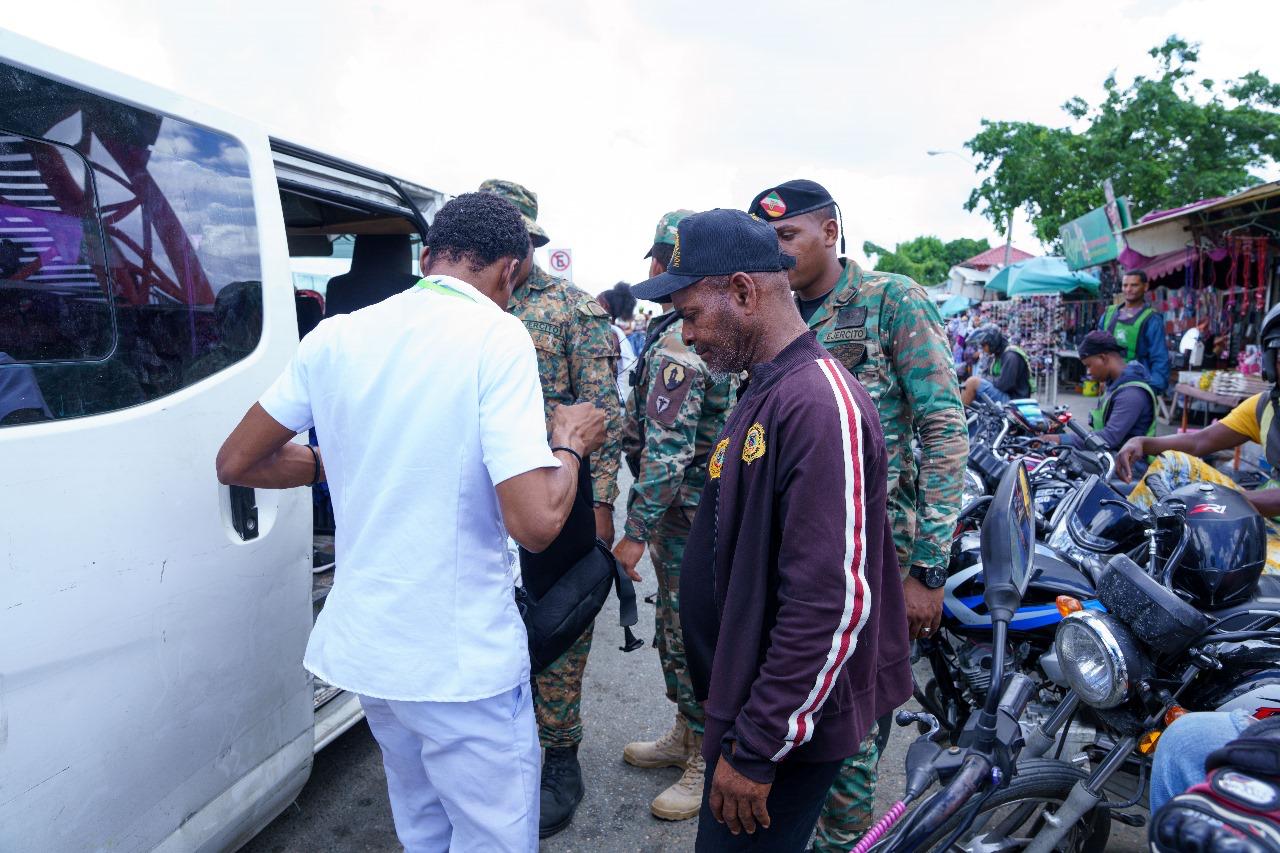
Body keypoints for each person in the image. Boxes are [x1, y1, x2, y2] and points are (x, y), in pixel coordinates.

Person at [214, 192, 607, 851]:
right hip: (459, 662)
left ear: (429, 259)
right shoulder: (496, 335)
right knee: (492, 837)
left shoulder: (337, 336)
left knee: (423, 826)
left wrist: (335, 458)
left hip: (372, 654)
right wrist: (569, 442)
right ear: (510, 270)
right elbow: (535, 522)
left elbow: (237, 459)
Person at [633, 208, 911, 851]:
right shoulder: (764, 385)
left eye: (691, 314)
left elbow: (827, 602)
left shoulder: (815, 403)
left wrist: (757, 747)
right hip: (751, 711)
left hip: (780, 731)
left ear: (741, 291)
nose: (689, 335)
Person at [748, 179, 966, 850]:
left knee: (846, 735)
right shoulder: (764, 311)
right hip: (794, 560)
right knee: (789, 716)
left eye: (789, 236)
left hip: (879, 560)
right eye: (768, 241)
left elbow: (943, 428)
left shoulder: (887, 300)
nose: (777, 252)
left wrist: (928, 566)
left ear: (830, 233)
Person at [478, 178, 622, 838]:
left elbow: (604, 419)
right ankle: (501, 753)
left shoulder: (572, 312)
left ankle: (560, 760)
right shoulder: (469, 308)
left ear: (531, 243)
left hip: (552, 496)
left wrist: (601, 511)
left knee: (556, 634)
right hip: (478, 501)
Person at [613, 208, 736, 821]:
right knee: (675, 630)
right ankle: (688, 733)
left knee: (696, 634)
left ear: (665, 263)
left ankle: (708, 754)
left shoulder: (676, 341)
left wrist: (633, 534)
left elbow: (668, 450)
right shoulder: (678, 329)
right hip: (686, 517)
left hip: (692, 517)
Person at [1117, 302, 1280, 574]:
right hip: (1261, 513)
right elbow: (1200, 442)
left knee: (1232, 574)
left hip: (1263, 516)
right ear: (1269, 359)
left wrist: (1230, 501)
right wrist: (1144, 443)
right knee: (1173, 463)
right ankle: (1123, 549)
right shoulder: (1265, 406)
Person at [1041, 330, 1156, 453]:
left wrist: (1059, 439)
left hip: (1130, 465)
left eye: (1089, 365)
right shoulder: (1116, 386)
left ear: (1103, 358)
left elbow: (1108, 438)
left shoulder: (1131, 394)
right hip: (1112, 454)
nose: (1088, 372)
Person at [1099, 269, 1170, 395]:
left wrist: (1153, 388)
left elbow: (1160, 358)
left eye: (1134, 285)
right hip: (1110, 385)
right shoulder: (1108, 314)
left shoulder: (1152, 319)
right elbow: (1098, 347)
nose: (1128, 289)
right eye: (1125, 285)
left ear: (1145, 287)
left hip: (1137, 386)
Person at [959, 327, 1033, 406]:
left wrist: (988, 378)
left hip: (1014, 399)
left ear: (992, 342)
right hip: (1005, 394)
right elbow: (985, 374)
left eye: (984, 345)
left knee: (972, 382)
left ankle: (958, 417)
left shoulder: (1011, 356)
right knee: (965, 386)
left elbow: (1003, 385)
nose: (983, 349)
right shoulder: (996, 355)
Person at [597, 281, 639, 401]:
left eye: (596, 302)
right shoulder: (613, 330)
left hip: (621, 401)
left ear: (604, 306)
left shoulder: (610, 335)